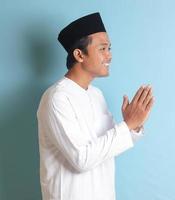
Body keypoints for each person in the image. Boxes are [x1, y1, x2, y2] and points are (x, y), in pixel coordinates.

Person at [36, 12, 154, 200]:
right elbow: (81, 159)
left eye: (110, 48)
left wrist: (134, 124)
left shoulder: (96, 94)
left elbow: (108, 145)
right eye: (103, 49)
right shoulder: (56, 98)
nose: (110, 55)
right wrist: (127, 126)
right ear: (79, 54)